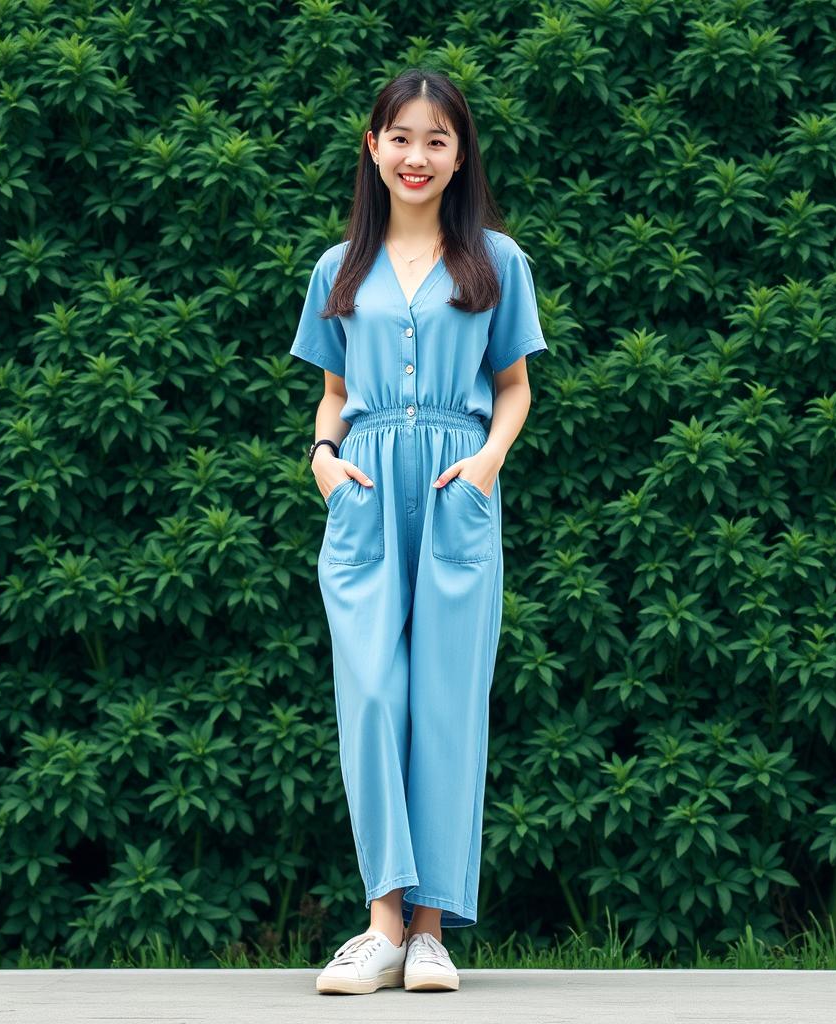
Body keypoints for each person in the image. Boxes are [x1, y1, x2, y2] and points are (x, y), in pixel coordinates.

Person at [289, 67, 548, 996]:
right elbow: (332, 392)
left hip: (453, 491)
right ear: (373, 146)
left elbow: (514, 387)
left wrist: (485, 465)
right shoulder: (338, 268)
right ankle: (381, 924)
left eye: (438, 139)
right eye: (402, 137)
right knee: (369, 697)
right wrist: (323, 456)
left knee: (444, 701)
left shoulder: (495, 262)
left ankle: (431, 931)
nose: (418, 156)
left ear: (459, 153)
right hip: (362, 492)